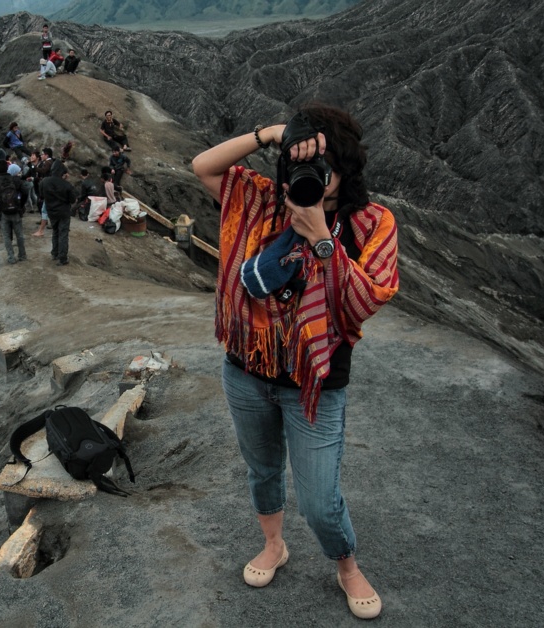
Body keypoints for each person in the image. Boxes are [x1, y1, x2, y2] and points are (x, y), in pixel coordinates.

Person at [191, 104, 399, 620]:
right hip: (246, 370)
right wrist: (275, 134)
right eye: (304, 165)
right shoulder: (261, 201)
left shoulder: (371, 224)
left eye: (326, 168)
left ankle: (346, 565)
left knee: (319, 498)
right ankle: (274, 545)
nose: (313, 179)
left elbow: (362, 301)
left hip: (316, 382)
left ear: (346, 172)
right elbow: (204, 167)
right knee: (262, 470)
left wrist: (321, 240)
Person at [40, 160, 76, 265]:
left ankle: (54, 253)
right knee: (63, 234)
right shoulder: (67, 185)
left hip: (51, 211)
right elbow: (72, 200)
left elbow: (41, 196)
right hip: (64, 212)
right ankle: (62, 258)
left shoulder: (44, 181)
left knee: (55, 232)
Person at [0, 161, 27, 264]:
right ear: (7, 168)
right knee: (19, 234)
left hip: (4, 213)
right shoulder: (15, 179)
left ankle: (11, 257)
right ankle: (22, 255)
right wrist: (21, 205)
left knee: (6, 236)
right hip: (16, 210)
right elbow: (25, 192)